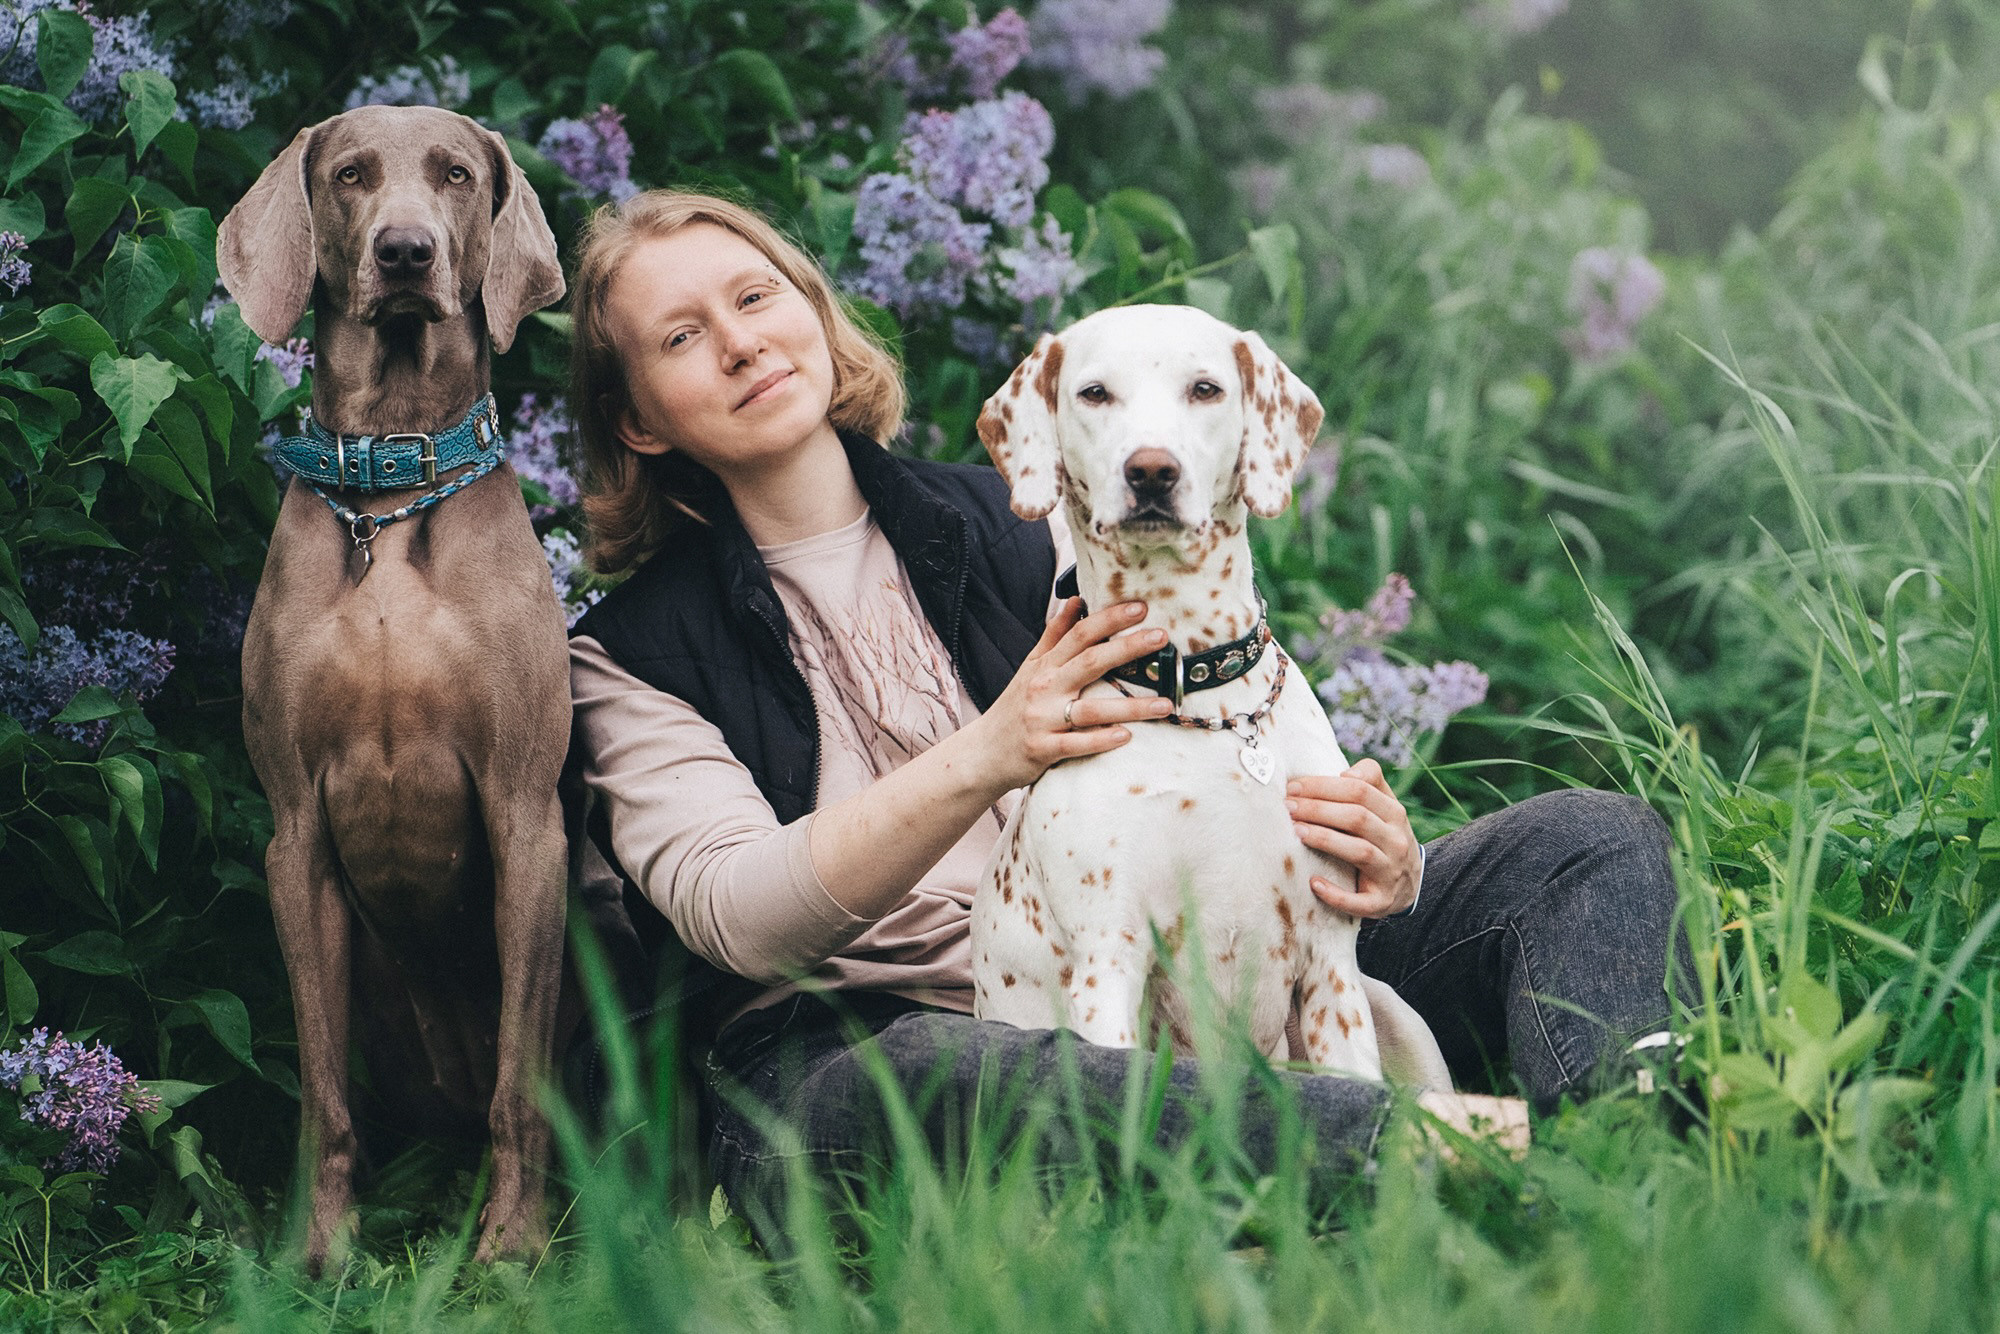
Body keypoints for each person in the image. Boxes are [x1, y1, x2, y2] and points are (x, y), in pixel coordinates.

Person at [562, 189, 1689, 1235]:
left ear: (809, 311)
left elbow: (1228, 691)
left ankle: (1627, 1141)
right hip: (865, 1047)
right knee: (945, 1074)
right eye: (680, 337)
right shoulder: (626, 657)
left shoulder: (1041, 512)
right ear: (641, 422)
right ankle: (1462, 1156)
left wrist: (1373, 863)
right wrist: (988, 751)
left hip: (1197, 960)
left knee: (1582, 839)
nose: (739, 340)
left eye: (755, 296)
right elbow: (738, 919)